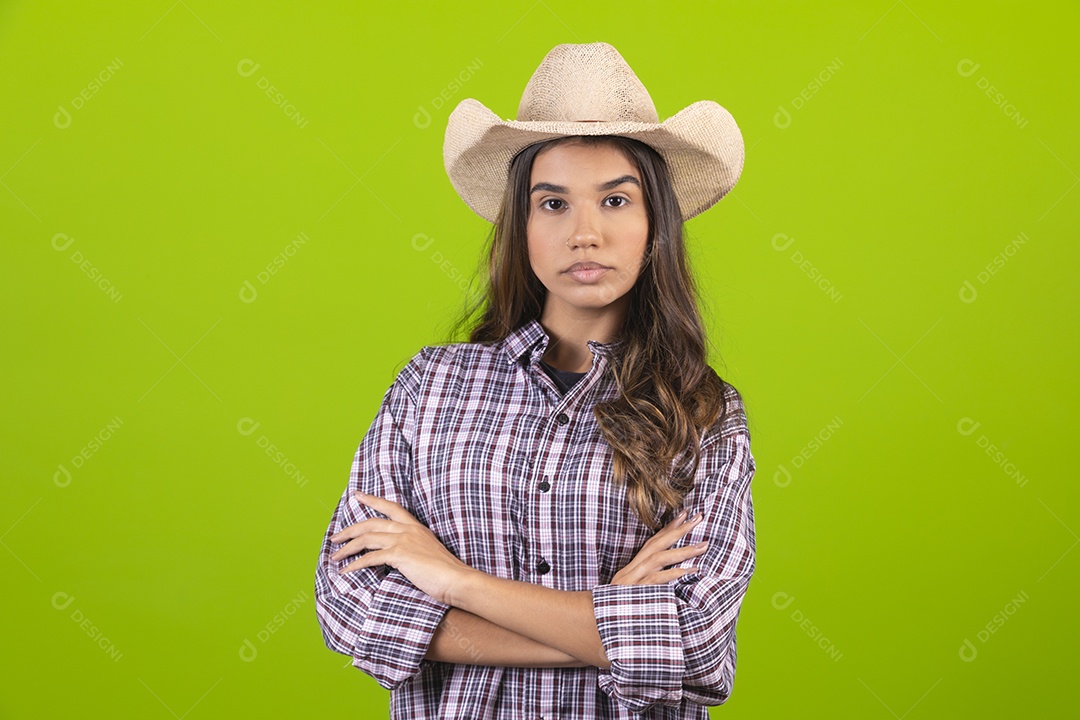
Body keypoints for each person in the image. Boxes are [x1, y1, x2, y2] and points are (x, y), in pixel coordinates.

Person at [314, 41, 756, 719]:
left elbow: (694, 643)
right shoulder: (428, 388)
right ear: (520, 225)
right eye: (553, 204)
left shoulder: (703, 414)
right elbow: (351, 609)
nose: (585, 233)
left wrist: (450, 579)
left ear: (653, 225)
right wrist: (611, 622)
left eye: (615, 200)